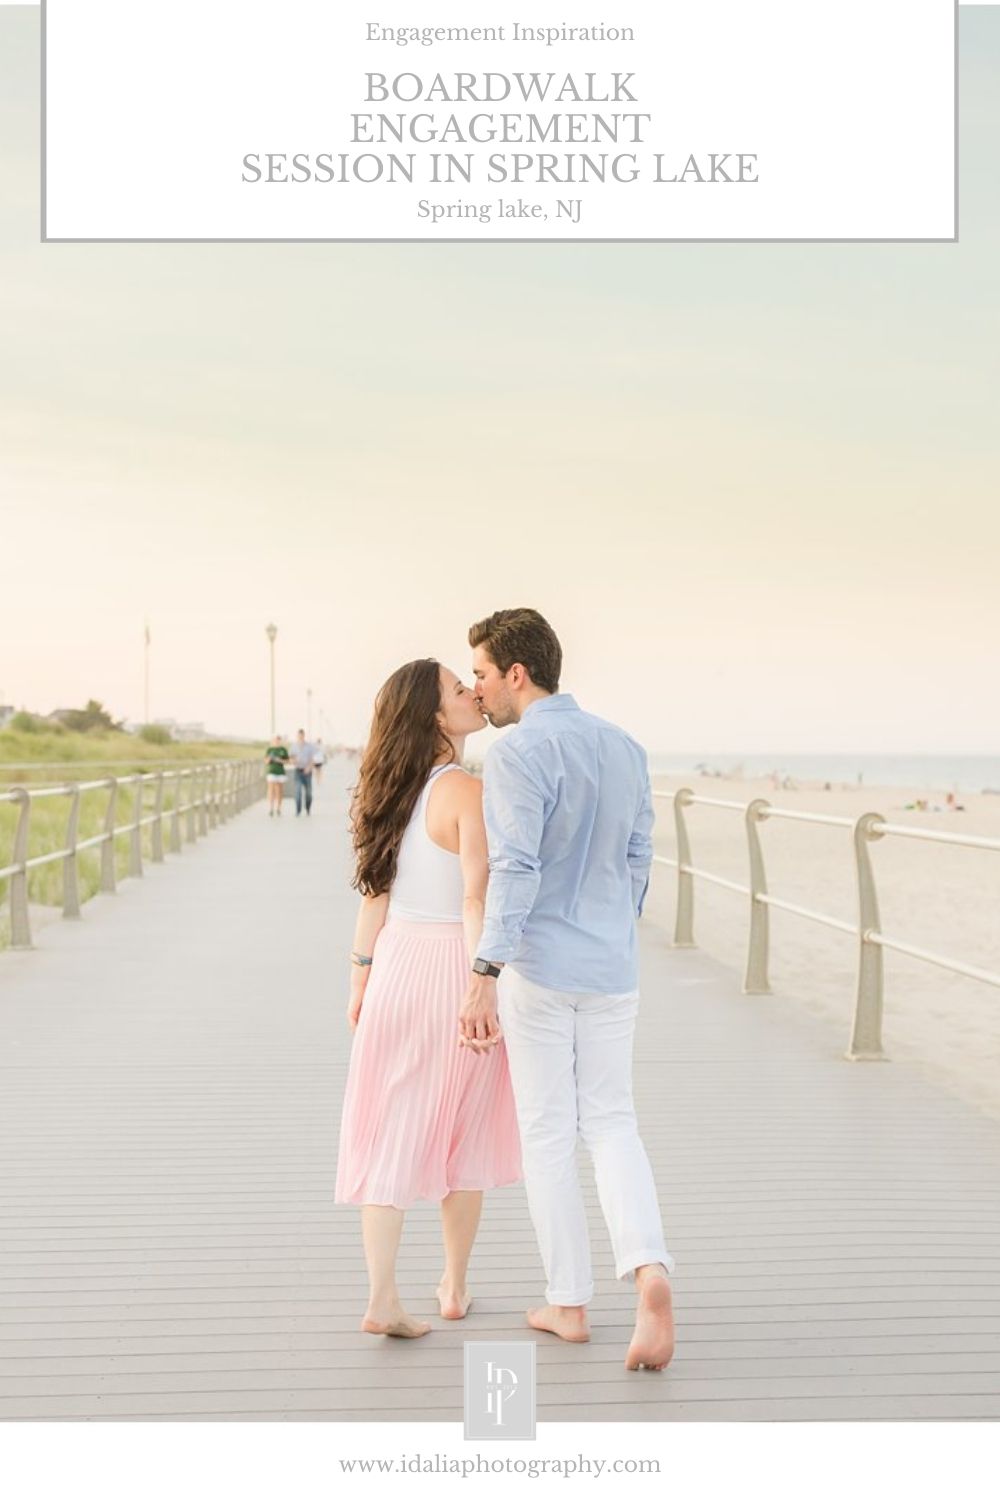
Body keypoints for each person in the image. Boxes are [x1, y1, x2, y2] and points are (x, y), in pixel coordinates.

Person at [463, 607, 675, 1372]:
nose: (479, 691)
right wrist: (617, 922)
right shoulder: (624, 745)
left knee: (549, 1131)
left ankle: (570, 1302)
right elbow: (640, 851)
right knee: (614, 1122)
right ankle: (649, 1268)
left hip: (542, 969)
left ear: (516, 674)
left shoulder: (517, 754)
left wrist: (484, 970)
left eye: (483, 675)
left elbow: (515, 868)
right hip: (613, 966)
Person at [335, 659, 521, 1338]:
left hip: (394, 965)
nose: (473, 691)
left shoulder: (387, 791)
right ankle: (453, 1284)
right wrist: (484, 981)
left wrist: (360, 980)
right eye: (456, 688)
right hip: (449, 964)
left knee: (391, 1127)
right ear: (436, 716)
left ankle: (383, 1296)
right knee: (463, 1128)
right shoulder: (465, 792)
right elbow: (476, 898)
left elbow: (374, 896)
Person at [292, 729, 315, 816]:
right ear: (297, 736)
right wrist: (294, 761)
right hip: (298, 771)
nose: (300, 737)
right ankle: (298, 810)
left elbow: (312, 759)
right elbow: (291, 758)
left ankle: (308, 808)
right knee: (298, 792)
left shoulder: (309, 746)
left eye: (301, 735)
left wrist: (309, 768)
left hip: (307, 772)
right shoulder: (293, 746)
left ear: (304, 735)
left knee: (308, 793)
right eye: (299, 735)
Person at [264, 734, 289, 816]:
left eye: (278, 740)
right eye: (275, 739)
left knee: (279, 790)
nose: (277, 741)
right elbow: (266, 761)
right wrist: (270, 759)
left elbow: (287, 761)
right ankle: (271, 808)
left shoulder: (283, 750)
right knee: (271, 789)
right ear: (273, 740)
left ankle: (278, 808)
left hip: (280, 772)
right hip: (271, 771)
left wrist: (280, 760)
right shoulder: (270, 749)